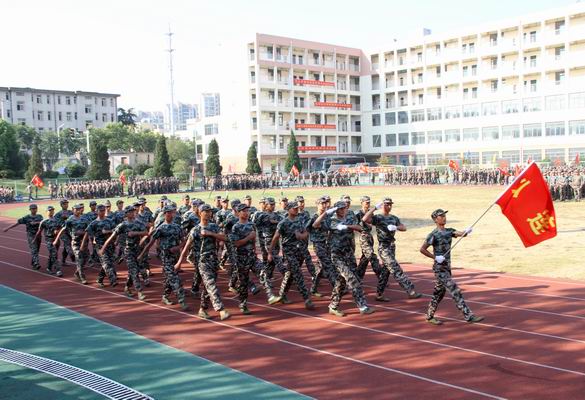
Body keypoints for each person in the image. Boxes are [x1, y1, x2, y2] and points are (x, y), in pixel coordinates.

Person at [419, 209, 484, 325]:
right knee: (455, 289)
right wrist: (435, 257)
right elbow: (422, 249)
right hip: (439, 268)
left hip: (447, 267)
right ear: (435, 219)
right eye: (441, 216)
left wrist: (467, 231)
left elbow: (461, 234)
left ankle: (429, 316)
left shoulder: (449, 231)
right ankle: (468, 315)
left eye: (444, 215)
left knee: (439, 293)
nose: (444, 217)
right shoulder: (433, 235)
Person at [313, 201, 373, 317]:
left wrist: (347, 226)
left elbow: (360, 228)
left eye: (344, 208)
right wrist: (326, 213)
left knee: (341, 282)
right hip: (336, 255)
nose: (343, 210)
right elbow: (315, 225)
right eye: (340, 209)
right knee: (352, 279)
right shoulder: (330, 220)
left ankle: (333, 306)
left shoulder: (350, 217)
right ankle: (363, 306)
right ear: (336, 210)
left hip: (348, 254)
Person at [175, 204, 230, 320]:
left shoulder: (213, 227)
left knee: (207, 287)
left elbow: (225, 238)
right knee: (211, 284)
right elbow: (186, 247)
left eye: (209, 211)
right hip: (202, 262)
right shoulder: (195, 230)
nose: (208, 213)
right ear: (200, 213)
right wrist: (179, 262)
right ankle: (221, 310)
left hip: (213, 261)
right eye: (206, 211)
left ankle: (202, 309)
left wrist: (211, 234)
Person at [362, 197, 421, 301]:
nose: (389, 206)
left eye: (390, 204)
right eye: (387, 204)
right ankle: (410, 290)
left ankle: (379, 294)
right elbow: (365, 219)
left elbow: (404, 227)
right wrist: (374, 208)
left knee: (386, 271)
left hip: (392, 246)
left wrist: (396, 227)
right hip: (384, 248)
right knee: (395, 268)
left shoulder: (394, 218)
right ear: (382, 205)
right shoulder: (378, 217)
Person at [268, 201, 315, 310]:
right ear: (288, 210)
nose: (296, 209)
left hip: (299, 251)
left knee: (290, 273)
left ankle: (282, 294)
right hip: (289, 252)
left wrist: (301, 236)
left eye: (297, 208)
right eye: (294, 208)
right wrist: (270, 252)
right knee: (298, 273)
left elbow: (306, 233)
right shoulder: (283, 223)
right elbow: (275, 238)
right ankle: (307, 299)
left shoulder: (300, 220)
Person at [139, 204, 187, 310]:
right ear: (164, 214)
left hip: (175, 256)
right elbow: (150, 243)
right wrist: (142, 255)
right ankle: (182, 299)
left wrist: (178, 247)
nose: (171, 214)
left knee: (168, 278)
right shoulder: (161, 228)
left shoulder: (177, 227)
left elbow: (184, 241)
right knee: (174, 278)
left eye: (172, 212)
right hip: (166, 257)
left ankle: (165, 296)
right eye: (168, 212)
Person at [102, 206, 148, 300]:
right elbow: (113, 235)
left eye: (133, 211)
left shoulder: (138, 223)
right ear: (126, 214)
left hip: (137, 250)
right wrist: (103, 247)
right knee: (134, 271)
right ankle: (139, 291)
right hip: (128, 251)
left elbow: (146, 232)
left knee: (135, 271)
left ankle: (127, 287)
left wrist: (135, 233)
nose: (132, 213)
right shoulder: (122, 225)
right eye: (130, 212)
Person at [83, 204, 117, 288]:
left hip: (110, 245)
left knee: (109, 263)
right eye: (101, 211)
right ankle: (113, 280)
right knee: (106, 263)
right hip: (100, 246)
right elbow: (87, 233)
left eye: (103, 210)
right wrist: (83, 244)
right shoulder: (94, 223)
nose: (103, 212)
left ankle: (100, 279)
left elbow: (115, 230)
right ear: (97, 211)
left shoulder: (109, 221)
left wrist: (108, 232)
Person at [54, 204, 89, 284]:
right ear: (73, 210)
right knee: (79, 259)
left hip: (84, 242)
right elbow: (63, 229)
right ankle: (82, 277)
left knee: (85, 258)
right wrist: (56, 239)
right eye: (76, 209)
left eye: (79, 209)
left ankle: (77, 272)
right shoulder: (70, 220)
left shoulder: (84, 219)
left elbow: (88, 229)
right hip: (76, 242)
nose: (78, 211)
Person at [4, 204, 43, 270]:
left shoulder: (40, 216)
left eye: (35, 208)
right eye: (32, 209)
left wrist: (36, 223)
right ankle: (36, 263)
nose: (34, 210)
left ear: (37, 209)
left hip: (38, 235)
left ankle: (33, 262)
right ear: (30, 210)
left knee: (37, 250)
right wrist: (8, 228)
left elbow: (43, 223)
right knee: (34, 249)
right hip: (30, 235)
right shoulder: (26, 217)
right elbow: (18, 223)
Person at [355, 196, 382, 282]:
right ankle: (381, 278)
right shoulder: (358, 214)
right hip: (363, 237)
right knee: (372, 256)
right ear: (362, 203)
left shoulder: (370, 213)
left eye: (369, 202)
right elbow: (355, 225)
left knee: (365, 259)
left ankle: (357, 276)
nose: (368, 204)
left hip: (370, 237)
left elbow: (372, 223)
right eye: (366, 202)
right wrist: (361, 229)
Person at [34, 205, 62, 276]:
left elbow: (61, 229)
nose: (51, 212)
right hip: (49, 239)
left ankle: (49, 268)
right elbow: (39, 232)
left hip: (56, 239)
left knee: (52, 254)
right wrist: (35, 240)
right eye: (50, 210)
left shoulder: (57, 220)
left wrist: (57, 231)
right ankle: (58, 270)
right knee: (54, 254)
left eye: (52, 210)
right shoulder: (44, 222)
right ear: (46, 212)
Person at [54, 199, 75, 266]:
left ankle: (63, 261)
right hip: (62, 232)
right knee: (67, 243)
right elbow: (56, 223)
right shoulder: (58, 214)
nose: (66, 205)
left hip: (70, 231)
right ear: (61, 205)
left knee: (66, 247)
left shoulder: (71, 212)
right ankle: (72, 255)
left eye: (66, 203)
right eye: (64, 204)